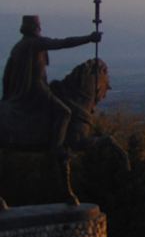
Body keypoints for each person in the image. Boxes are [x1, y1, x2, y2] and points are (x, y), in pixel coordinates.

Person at [2, 15, 101, 149]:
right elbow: (63, 43)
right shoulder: (35, 43)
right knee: (64, 112)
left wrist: (7, 96)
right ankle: (57, 149)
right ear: (34, 27)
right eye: (38, 25)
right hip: (37, 89)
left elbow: (6, 75)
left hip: (22, 91)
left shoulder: (17, 47)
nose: (40, 28)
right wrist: (89, 38)